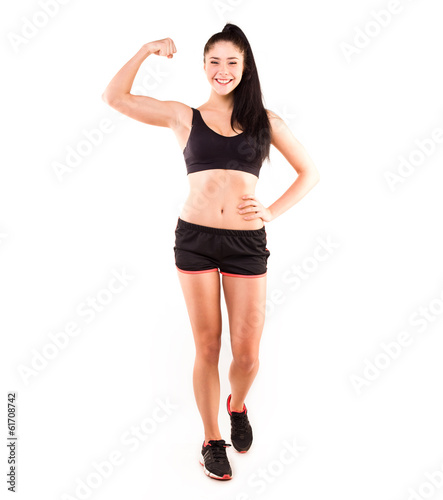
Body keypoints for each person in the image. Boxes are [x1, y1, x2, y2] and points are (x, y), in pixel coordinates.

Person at [102, 23, 320, 481]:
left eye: (232, 62)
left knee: (247, 356)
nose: (222, 70)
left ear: (245, 67)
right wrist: (145, 49)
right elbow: (115, 97)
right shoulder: (184, 116)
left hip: (246, 244)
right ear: (203, 67)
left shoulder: (265, 120)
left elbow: (310, 173)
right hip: (195, 241)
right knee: (207, 344)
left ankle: (236, 405)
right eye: (214, 62)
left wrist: (271, 212)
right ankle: (211, 438)